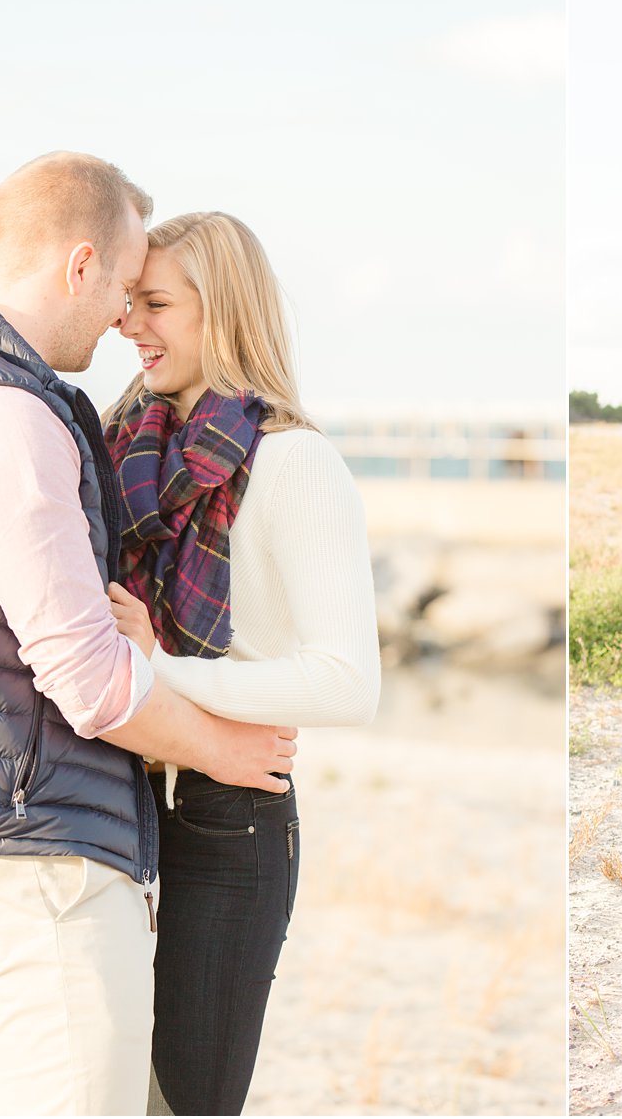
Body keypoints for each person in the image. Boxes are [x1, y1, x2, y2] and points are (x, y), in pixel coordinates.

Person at [0, 152, 298, 1115]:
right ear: (79, 265)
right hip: (34, 856)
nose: (123, 319)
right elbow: (88, 676)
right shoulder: (7, 412)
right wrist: (221, 745)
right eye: (125, 289)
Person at [103, 211, 381, 1114]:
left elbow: (346, 680)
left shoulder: (295, 462)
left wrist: (160, 668)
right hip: (107, 798)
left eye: (155, 302)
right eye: (126, 300)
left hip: (228, 821)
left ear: (220, 311)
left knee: (185, 1102)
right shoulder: (113, 446)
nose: (129, 323)